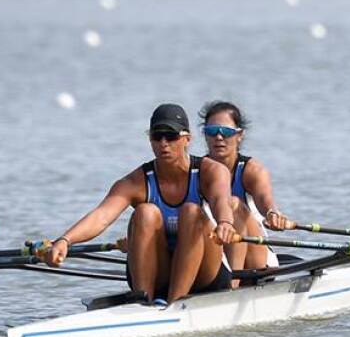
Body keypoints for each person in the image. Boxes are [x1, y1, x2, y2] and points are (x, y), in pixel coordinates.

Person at [44, 104, 237, 305]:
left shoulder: (211, 171)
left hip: (205, 273)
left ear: (187, 139)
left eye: (171, 136)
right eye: (157, 136)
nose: (163, 143)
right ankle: (143, 302)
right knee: (145, 212)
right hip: (161, 273)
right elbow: (101, 217)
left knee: (190, 211)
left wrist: (225, 222)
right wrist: (65, 240)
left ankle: (174, 303)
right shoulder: (136, 182)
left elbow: (220, 200)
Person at [199, 101, 290, 275]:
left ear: (239, 135)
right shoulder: (197, 171)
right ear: (205, 135)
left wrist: (272, 213)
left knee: (232, 203)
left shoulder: (252, 170)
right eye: (212, 132)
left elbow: (265, 199)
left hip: (256, 258)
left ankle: (231, 286)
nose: (219, 137)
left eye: (226, 132)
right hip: (214, 252)